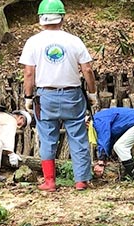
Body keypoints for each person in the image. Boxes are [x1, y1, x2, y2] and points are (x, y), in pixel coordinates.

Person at [19, 0, 97, 192]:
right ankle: (81, 181)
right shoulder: (74, 41)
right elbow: (87, 69)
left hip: (46, 96)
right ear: (62, 17)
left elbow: (29, 73)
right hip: (73, 95)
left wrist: (28, 97)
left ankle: (50, 181)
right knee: (78, 137)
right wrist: (92, 92)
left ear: (41, 18)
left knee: (47, 138)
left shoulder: (33, 42)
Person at [89, 107, 134, 178]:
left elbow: (104, 139)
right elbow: (110, 139)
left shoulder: (98, 120)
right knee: (120, 146)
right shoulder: (100, 118)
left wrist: (101, 162)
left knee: (120, 147)